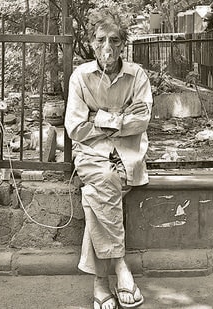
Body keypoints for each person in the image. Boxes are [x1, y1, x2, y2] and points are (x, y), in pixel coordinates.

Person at [64, 8, 151, 309]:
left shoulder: (136, 75)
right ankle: (120, 268)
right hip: (90, 152)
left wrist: (97, 118)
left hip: (127, 153)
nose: (107, 48)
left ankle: (100, 284)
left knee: (98, 190)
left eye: (115, 40)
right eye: (101, 40)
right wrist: (118, 119)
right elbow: (75, 126)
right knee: (103, 179)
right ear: (91, 43)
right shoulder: (81, 77)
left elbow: (141, 120)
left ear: (123, 43)